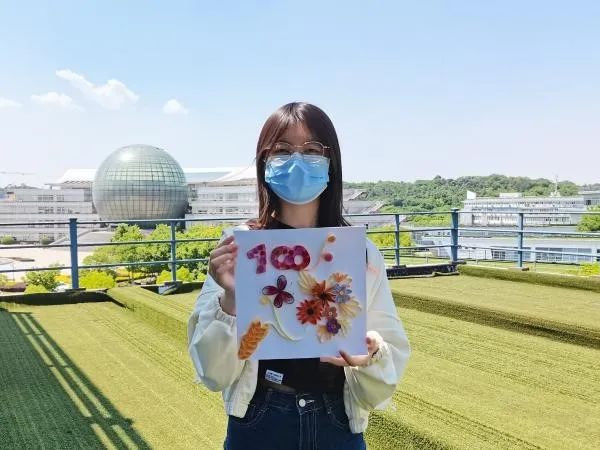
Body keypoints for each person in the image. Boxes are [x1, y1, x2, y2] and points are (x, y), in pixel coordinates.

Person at [187, 102, 411, 450]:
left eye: (311, 150)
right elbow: (214, 374)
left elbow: (387, 367)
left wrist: (368, 356)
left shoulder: (360, 253)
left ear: (331, 161)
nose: (296, 160)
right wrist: (231, 300)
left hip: (337, 419)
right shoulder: (238, 247)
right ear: (264, 162)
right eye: (281, 149)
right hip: (259, 418)